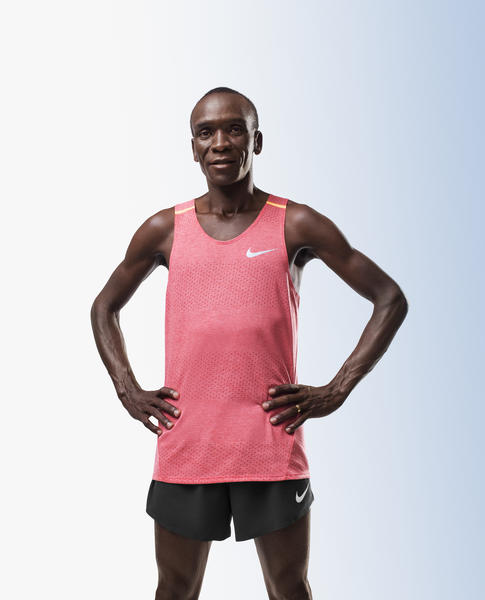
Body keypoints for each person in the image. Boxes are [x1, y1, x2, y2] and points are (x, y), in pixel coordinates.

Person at [90, 86, 408, 600]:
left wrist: (336, 389)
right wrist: (127, 389)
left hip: (270, 443)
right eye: (206, 132)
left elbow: (389, 298)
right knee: (174, 588)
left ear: (256, 141)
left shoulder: (295, 223)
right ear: (193, 148)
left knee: (288, 588)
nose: (220, 142)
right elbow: (103, 307)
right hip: (188, 445)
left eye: (235, 129)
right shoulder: (164, 229)